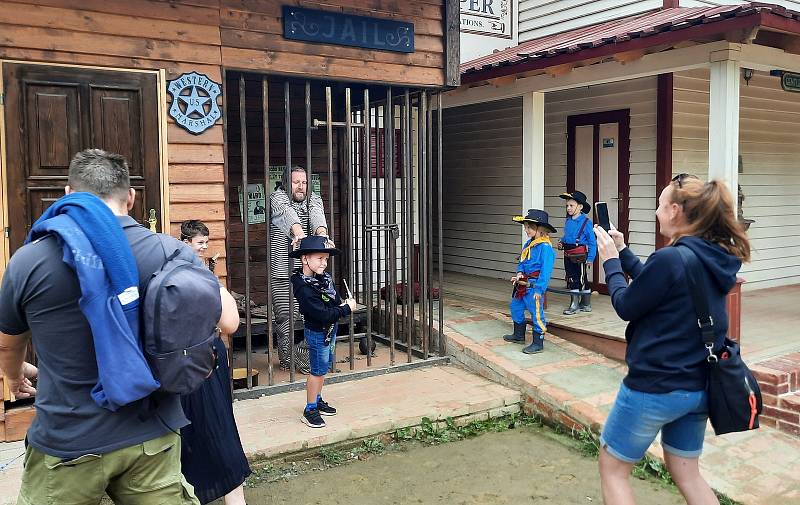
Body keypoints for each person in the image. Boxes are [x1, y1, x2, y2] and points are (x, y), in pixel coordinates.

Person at [0, 149, 239, 505]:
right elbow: (229, 321)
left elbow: (7, 345)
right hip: (152, 436)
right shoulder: (169, 252)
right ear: (130, 197)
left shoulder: (29, 260)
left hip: (68, 441)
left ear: (68, 195)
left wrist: (15, 374)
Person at [593, 174, 750, 505]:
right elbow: (659, 284)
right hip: (697, 388)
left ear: (676, 210)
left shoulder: (672, 257)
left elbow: (626, 304)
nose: (656, 212)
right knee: (689, 474)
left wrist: (609, 262)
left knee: (613, 469)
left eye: (661, 205)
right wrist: (622, 251)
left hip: (654, 388)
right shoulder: (711, 255)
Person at [180, 220, 251, 505]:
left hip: (176, 362)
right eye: (199, 243)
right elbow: (231, 323)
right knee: (219, 428)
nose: (204, 247)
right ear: (185, 243)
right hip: (203, 357)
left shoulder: (160, 274)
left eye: (206, 242)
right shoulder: (201, 276)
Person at [289, 236, 356, 427]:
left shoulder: (324, 279)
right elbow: (323, 314)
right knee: (317, 371)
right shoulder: (303, 288)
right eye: (319, 258)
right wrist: (346, 309)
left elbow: (333, 301)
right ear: (304, 259)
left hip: (330, 330)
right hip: (319, 332)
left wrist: (342, 303)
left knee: (323, 367)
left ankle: (317, 400)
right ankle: (309, 409)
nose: (324, 263)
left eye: (326, 259)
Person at [270, 166, 330, 373]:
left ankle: (304, 360)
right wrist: (299, 234)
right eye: (296, 182)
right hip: (282, 271)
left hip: (308, 272)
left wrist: (321, 235)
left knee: (314, 316)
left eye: (304, 182)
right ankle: (287, 360)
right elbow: (286, 214)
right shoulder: (277, 197)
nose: (301, 186)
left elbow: (316, 214)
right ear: (286, 183)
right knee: (285, 318)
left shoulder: (313, 198)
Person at [503, 209, 556, 354]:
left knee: (536, 314)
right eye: (525, 227)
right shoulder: (528, 244)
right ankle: (519, 335)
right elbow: (522, 261)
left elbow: (545, 272)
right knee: (516, 308)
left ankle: (538, 343)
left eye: (529, 227)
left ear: (540, 230)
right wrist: (519, 273)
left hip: (534, 287)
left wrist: (539, 289)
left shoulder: (546, 248)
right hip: (522, 285)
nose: (526, 230)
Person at [558, 191, 597, 314]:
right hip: (568, 253)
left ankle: (578, 304)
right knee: (571, 277)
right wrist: (562, 241)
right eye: (567, 206)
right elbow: (568, 236)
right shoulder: (568, 220)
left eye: (571, 205)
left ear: (580, 207)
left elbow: (592, 242)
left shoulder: (586, 223)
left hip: (580, 255)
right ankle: (584, 303)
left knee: (579, 279)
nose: (568, 208)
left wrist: (590, 258)